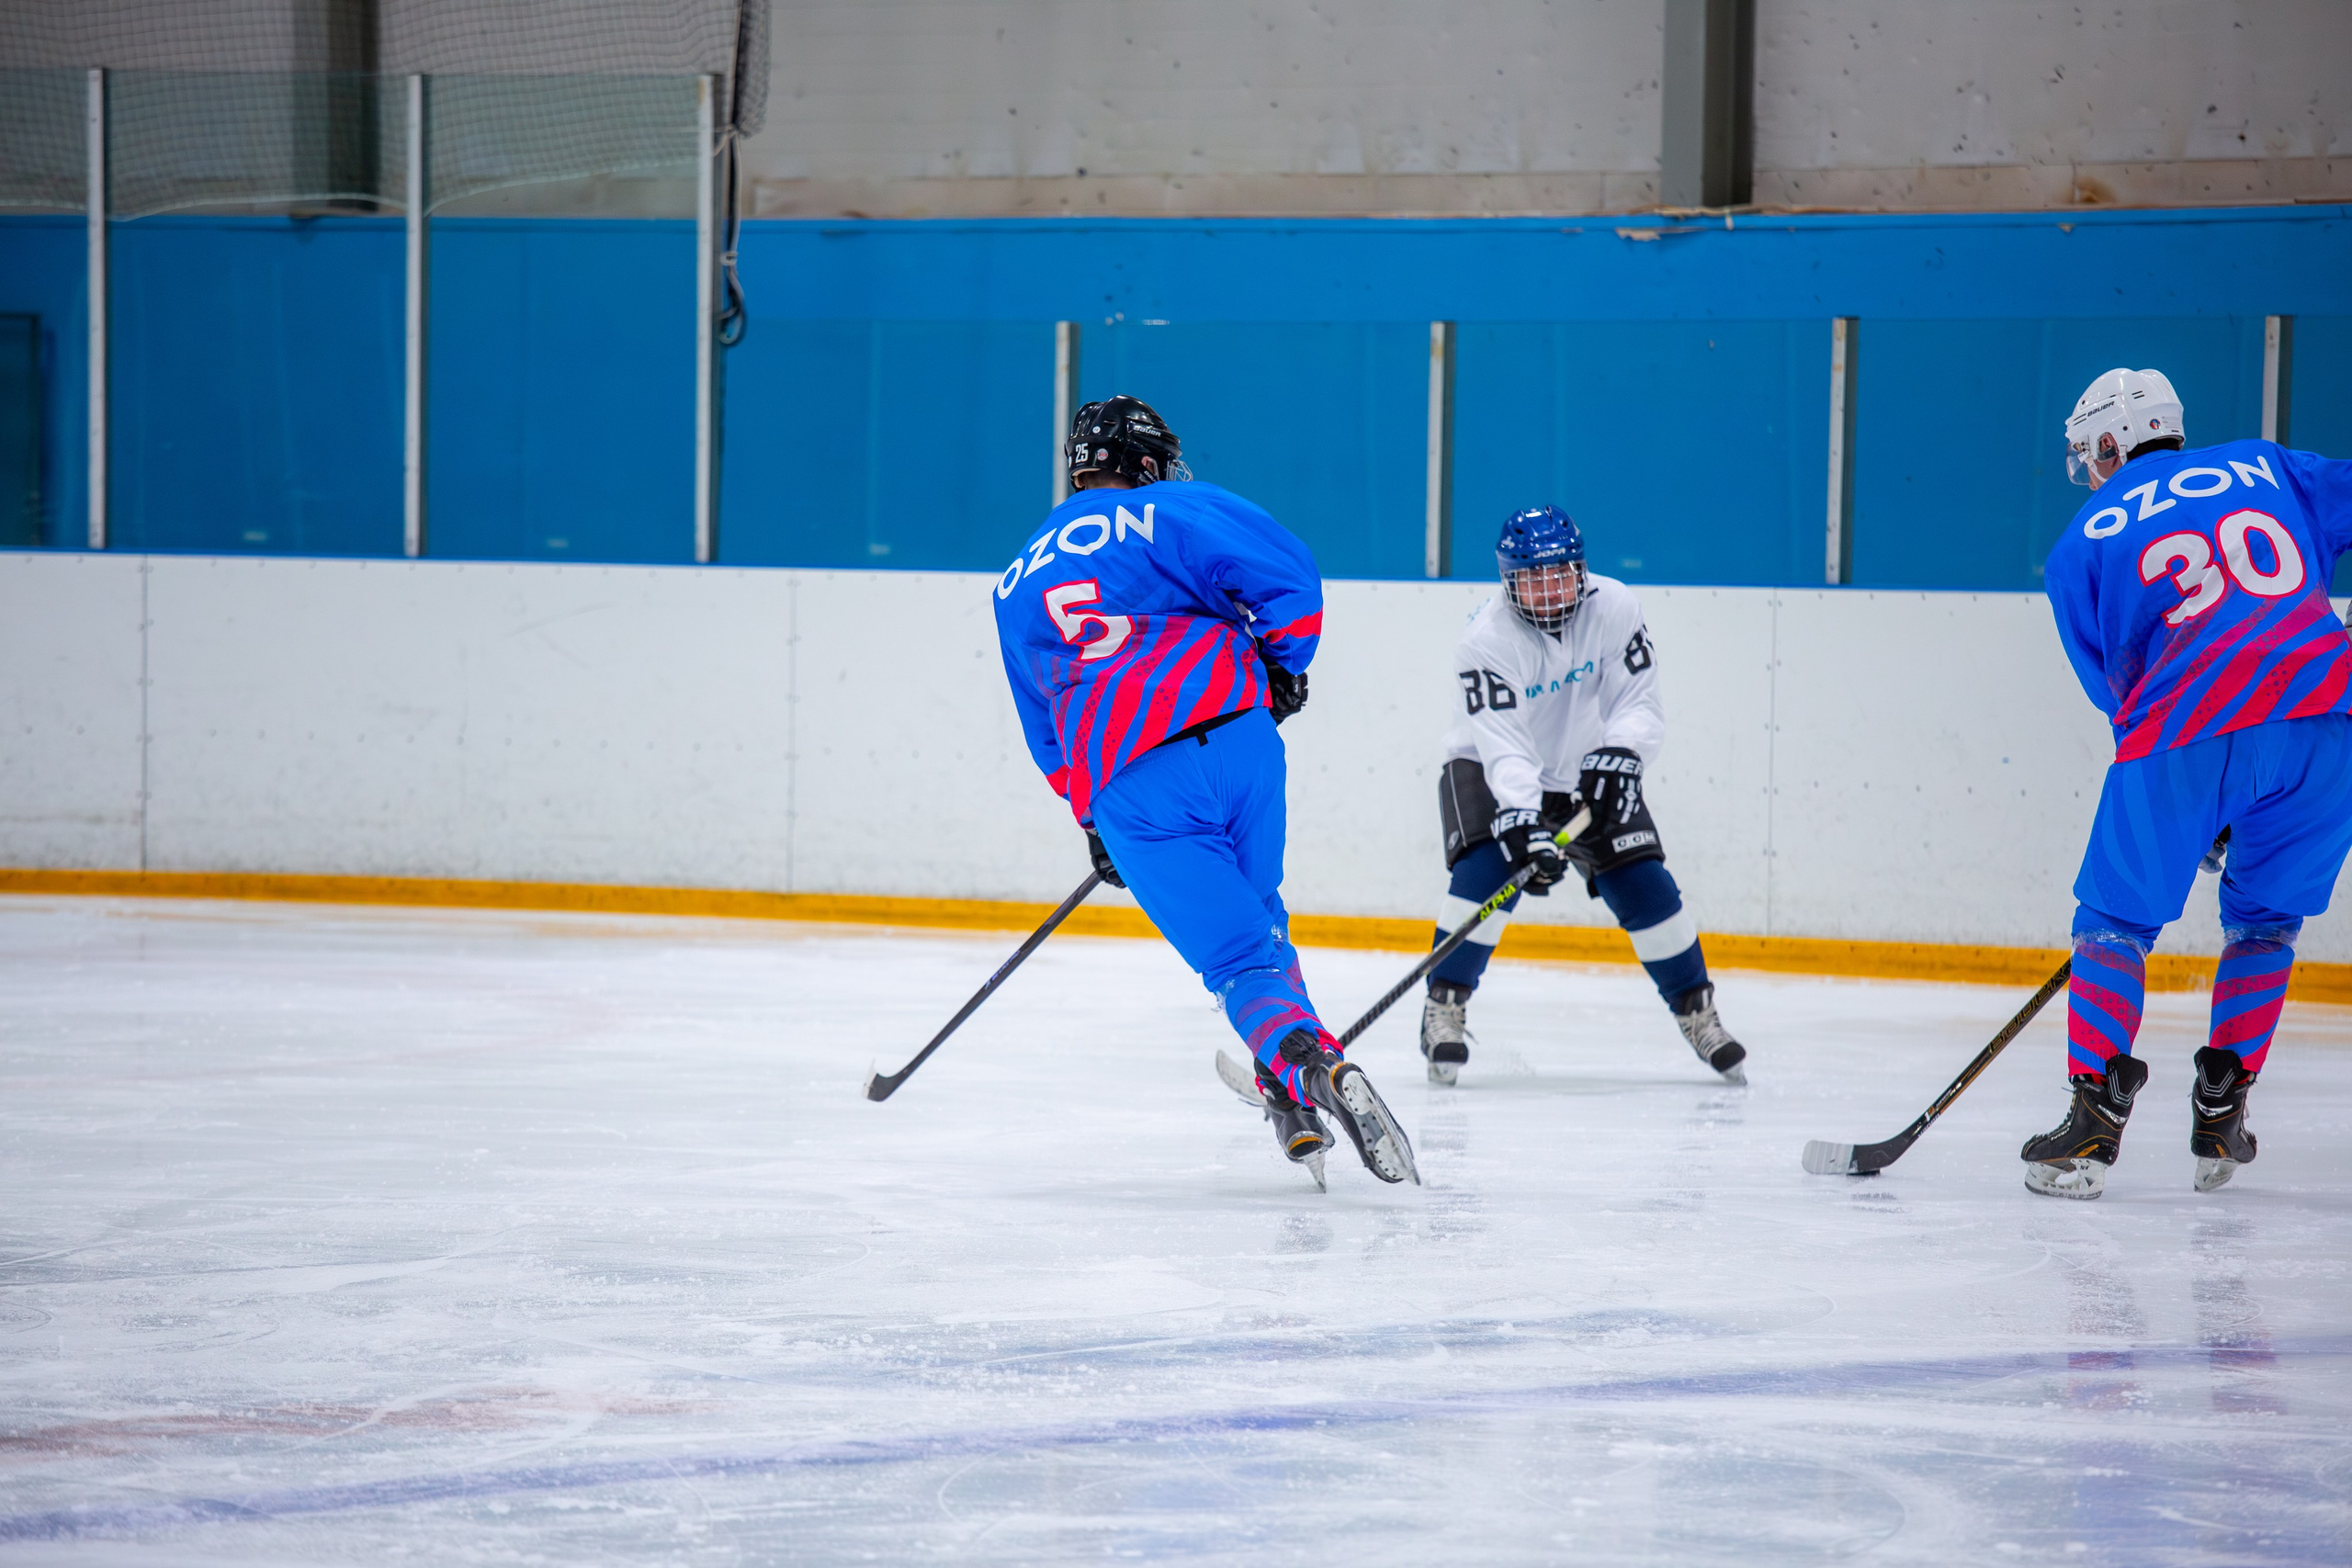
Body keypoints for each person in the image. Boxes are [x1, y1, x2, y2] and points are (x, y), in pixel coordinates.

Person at [991, 395, 1417, 1185]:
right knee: (1260, 918)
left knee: (1237, 960)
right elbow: (1290, 575)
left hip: (1132, 781)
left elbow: (1043, 718)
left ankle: (1310, 1067)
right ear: (1145, 461)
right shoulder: (1172, 508)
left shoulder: (1016, 581)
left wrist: (1091, 817)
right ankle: (1279, 1083)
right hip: (1240, 743)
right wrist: (1282, 664)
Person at [2029, 367, 2352, 1198]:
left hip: (2186, 727)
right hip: (2326, 715)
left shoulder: (2081, 542)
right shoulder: (2267, 466)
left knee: (2113, 923)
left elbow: (2120, 692)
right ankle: (2221, 1113)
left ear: (2109, 445)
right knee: (2266, 920)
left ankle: (2091, 1131)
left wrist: (2201, 804)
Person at [1416, 505, 1749, 1087]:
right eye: (1532, 578)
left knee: (1646, 884)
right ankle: (1444, 1005)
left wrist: (1624, 752)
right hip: (1488, 764)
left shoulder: (1615, 605)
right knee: (1484, 873)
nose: (1547, 590)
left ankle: (1698, 1011)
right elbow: (1505, 746)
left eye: (1559, 574)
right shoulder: (1485, 639)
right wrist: (1522, 818)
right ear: (1507, 580)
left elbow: (1638, 701)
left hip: (1586, 765)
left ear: (1581, 570)